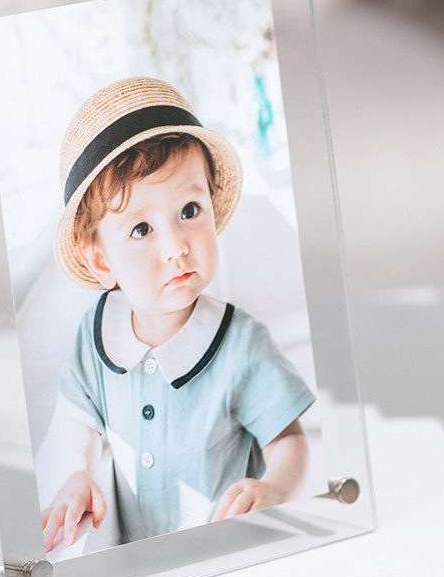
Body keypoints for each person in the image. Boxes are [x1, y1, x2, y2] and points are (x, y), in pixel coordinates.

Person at [41, 76, 315, 552]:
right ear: (101, 261)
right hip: (134, 557)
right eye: (141, 229)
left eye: (189, 210)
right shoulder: (96, 335)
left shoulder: (240, 342)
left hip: (226, 551)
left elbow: (289, 440)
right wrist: (75, 473)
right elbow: (75, 421)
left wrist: (274, 488)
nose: (176, 247)